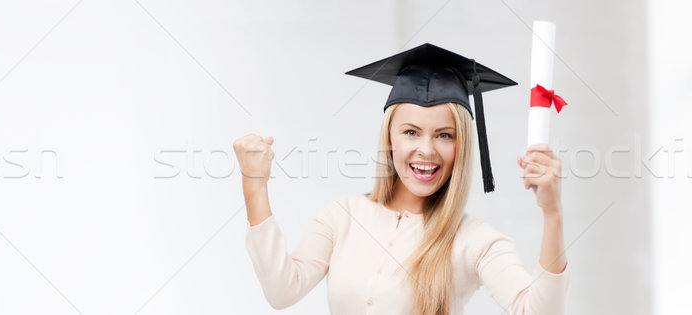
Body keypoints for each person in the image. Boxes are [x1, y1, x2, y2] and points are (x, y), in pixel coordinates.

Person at [233, 43, 569, 315]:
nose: (427, 150)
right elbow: (281, 291)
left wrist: (552, 215)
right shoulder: (342, 216)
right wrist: (254, 185)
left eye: (445, 135)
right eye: (411, 132)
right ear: (390, 138)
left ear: (462, 146)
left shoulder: (474, 241)